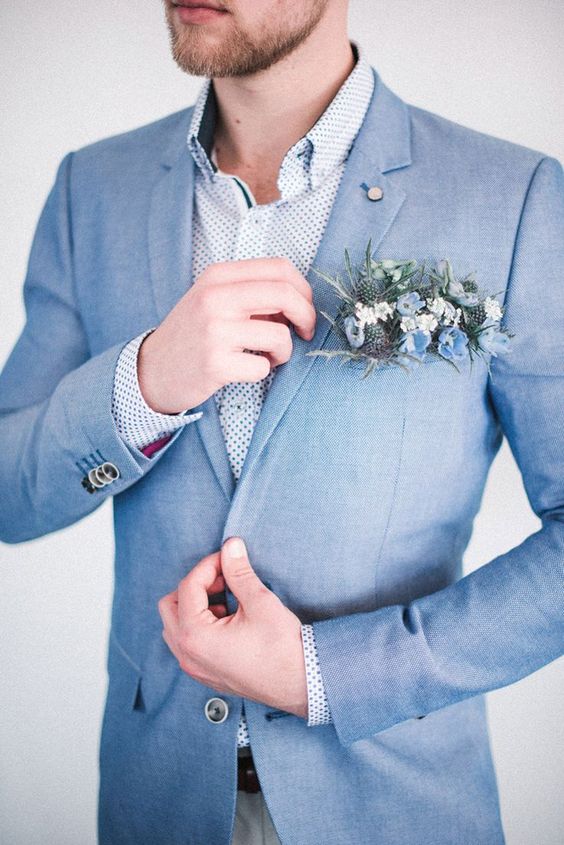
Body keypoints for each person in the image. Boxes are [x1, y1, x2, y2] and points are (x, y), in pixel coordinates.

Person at [0, 0, 562, 842]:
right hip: (154, 804)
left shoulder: (515, 199)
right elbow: (10, 491)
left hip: (397, 805)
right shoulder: (93, 188)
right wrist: (142, 382)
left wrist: (321, 674)